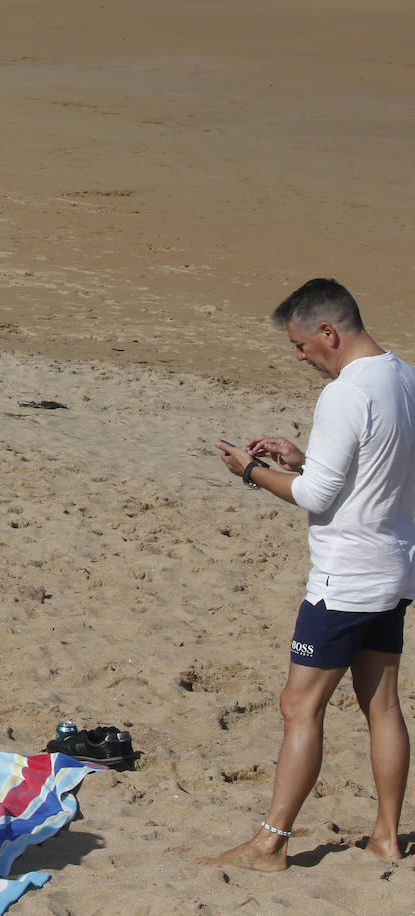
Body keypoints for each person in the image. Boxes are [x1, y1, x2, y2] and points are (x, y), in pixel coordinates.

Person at [210, 278, 415, 870]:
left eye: (302, 346)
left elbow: (316, 495)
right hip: (396, 568)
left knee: (300, 705)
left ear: (330, 331)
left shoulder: (347, 393)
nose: (299, 357)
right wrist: (304, 456)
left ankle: (270, 843)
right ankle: (385, 836)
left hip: (347, 577)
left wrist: (249, 471)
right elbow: (380, 468)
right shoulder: (403, 377)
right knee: (382, 704)